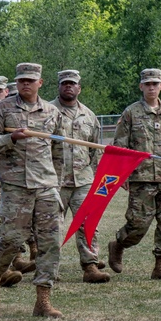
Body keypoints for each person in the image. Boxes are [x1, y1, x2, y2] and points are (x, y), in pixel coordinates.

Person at [0, 63, 65, 318]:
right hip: (15, 185)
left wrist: (56, 180)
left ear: (40, 82)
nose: (25, 84)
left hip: (46, 185)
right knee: (11, 239)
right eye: (21, 80)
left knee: (51, 242)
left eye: (30, 80)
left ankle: (43, 299)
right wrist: (11, 139)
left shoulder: (52, 112)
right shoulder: (2, 109)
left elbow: (58, 150)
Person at [108, 68, 161, 280]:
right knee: (138, 225)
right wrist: (121, 175)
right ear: (141, 86)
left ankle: (160, 267)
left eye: (155, 84)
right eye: (147, 84)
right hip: (141, 177)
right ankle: (118, 244)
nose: (151, 87)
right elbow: (120, 146)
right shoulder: (131, 113)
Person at [52, 70, 111, 283]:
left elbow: (96, 149)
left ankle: (90, 266)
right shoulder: (49, 112)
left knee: (88, 223)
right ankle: (50, 270)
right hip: (55, 180)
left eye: (72, 83)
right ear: (58, 86)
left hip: (83, 181)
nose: (68, 86)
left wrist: (93, 176)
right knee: (52, 226)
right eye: (64, 83)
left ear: (79, 88)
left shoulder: (89, 115)